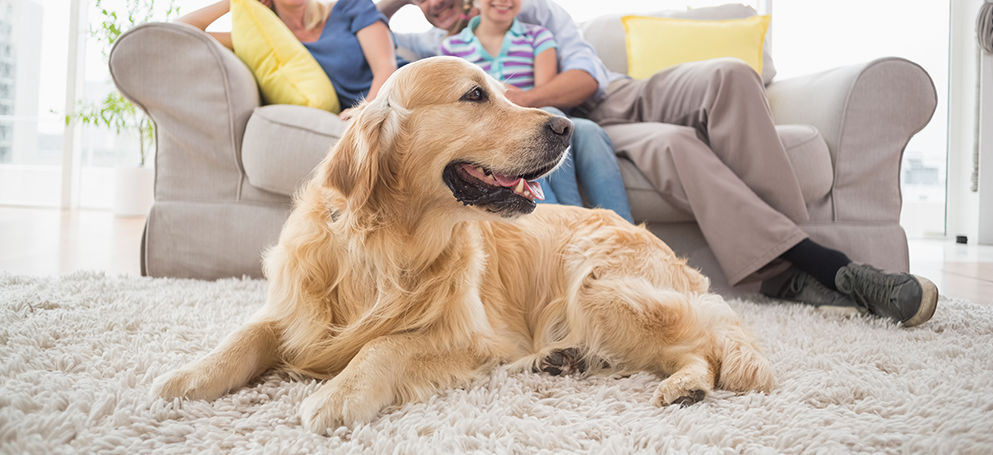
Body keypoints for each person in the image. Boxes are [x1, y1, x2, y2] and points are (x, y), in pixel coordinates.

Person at [378, 0, 940, 327]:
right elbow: (379, 55)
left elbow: (588, 77)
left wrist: (522, 103)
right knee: (675, 148)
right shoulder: (437, 40)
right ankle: (826, 268)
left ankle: (796, 266)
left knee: (730, 74)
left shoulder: (532, 12)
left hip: (616, 96)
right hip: (589, 131)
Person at [438, 0, 633, 222]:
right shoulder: (452, 47)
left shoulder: (538, 36)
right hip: (499, 129)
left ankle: (623, 225)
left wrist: (519, 102)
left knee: (589, 131)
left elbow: (544, 93)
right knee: (561, 127)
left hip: (538, 113)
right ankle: (568, 224)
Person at [177, 0, 402, 120]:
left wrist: (365, 111)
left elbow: (386, 66)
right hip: (355, 118)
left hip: (398, 94)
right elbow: (179, 33)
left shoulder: (349, 6)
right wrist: (235, 1)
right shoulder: (268, 41)